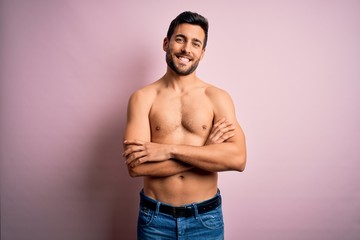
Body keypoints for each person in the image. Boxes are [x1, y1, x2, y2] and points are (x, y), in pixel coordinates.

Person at [123, 11, 246, 240]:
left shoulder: (217, 97)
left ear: (202, 52)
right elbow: (136, 167)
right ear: (166, 43)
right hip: (155, 220)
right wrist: (207, 153)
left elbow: (238, 159)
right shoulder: (143, 98)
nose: (186, 49)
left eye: (195, 43)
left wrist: (168, 149)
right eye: (180, 39)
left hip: (205, 219)